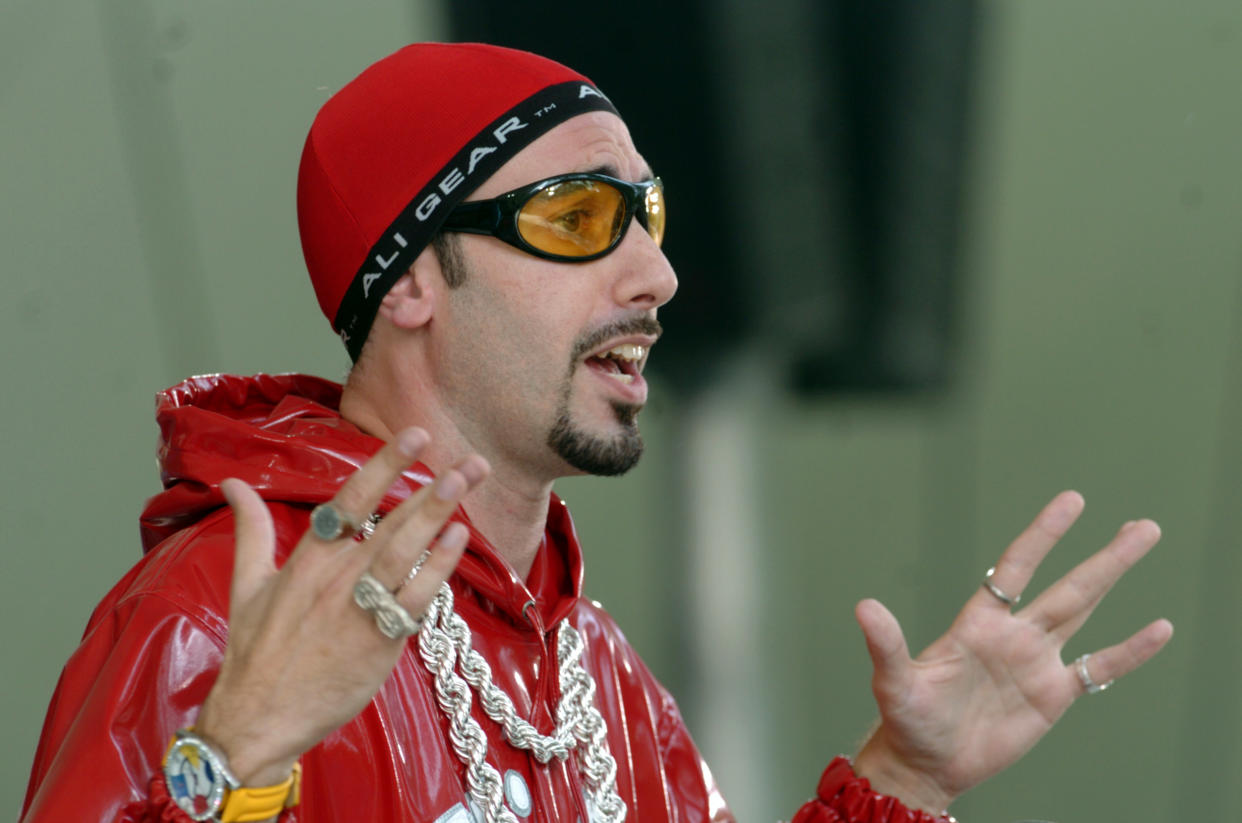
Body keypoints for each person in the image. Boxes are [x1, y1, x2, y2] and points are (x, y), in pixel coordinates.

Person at [20, 43, 1172, 823]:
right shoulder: (224, 607)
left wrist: (899, 778)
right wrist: (234, 763)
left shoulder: (595, 673)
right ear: (414, 278)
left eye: (651, 215)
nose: (658, 273)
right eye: (577, 217)